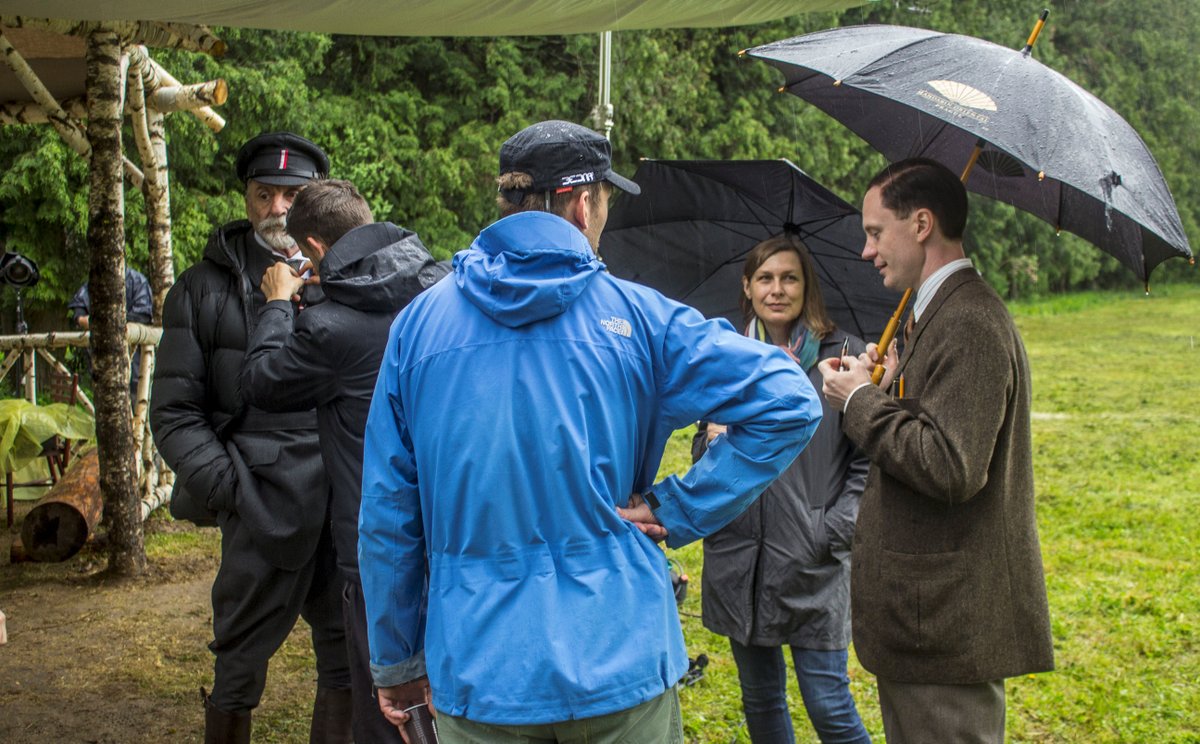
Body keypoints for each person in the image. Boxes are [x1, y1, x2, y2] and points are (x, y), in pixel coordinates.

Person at [358, 119, 824, 742]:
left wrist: (395, 660)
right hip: (619, 655)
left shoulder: (416, 328)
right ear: (582, 203)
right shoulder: (641, 317)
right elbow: (790, 396)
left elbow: (388, 512)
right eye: (605, 202)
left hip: (480, 667)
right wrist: (678, 507)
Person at [818, 158, 1054, 743]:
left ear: (921, 224)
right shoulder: (938, 318)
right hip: (926, 628)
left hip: (946, 631)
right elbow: (935, 430)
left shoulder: (969, 321)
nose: (867, 251)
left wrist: (859, 403)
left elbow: (952, 466)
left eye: (876, 232)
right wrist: (888, 389)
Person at [150, 132, 352, 744]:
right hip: (255, 495)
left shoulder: (351, 281)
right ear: (247, 197)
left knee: (345, 659)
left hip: (341, 499)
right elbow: (174, 412)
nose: (277, 210)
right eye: (264, 194)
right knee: (237, 663)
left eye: (291, 196)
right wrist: (232, 488)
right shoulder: (200, 290)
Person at [239, 178, 448, 743]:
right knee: (451, 698)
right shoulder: (442, 291)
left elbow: (261, 381)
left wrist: (280, 304)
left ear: (316, 248)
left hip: (375, 540)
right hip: (456, 528)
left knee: (386, 708)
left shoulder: (328, 328)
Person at [694, 233, 871, 744]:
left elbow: (867, 462)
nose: (777, 289)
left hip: (811, 559)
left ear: (805, 286)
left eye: (789, 277)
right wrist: (711, 439)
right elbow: (703, 457)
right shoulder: (726, 356)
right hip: (740, 559)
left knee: (830, 705)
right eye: (765, 278)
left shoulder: (842, 358)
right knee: (761, 703)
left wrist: (834, 529)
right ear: (747, 287)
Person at [67, 266, 153, 398]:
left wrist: (103, 322)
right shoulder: (93, 284)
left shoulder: (137, 282)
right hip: (101, 362)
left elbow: (142, 317)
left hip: (135, 363)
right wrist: (107, 323)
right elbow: (79, 316)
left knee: (136, 402)